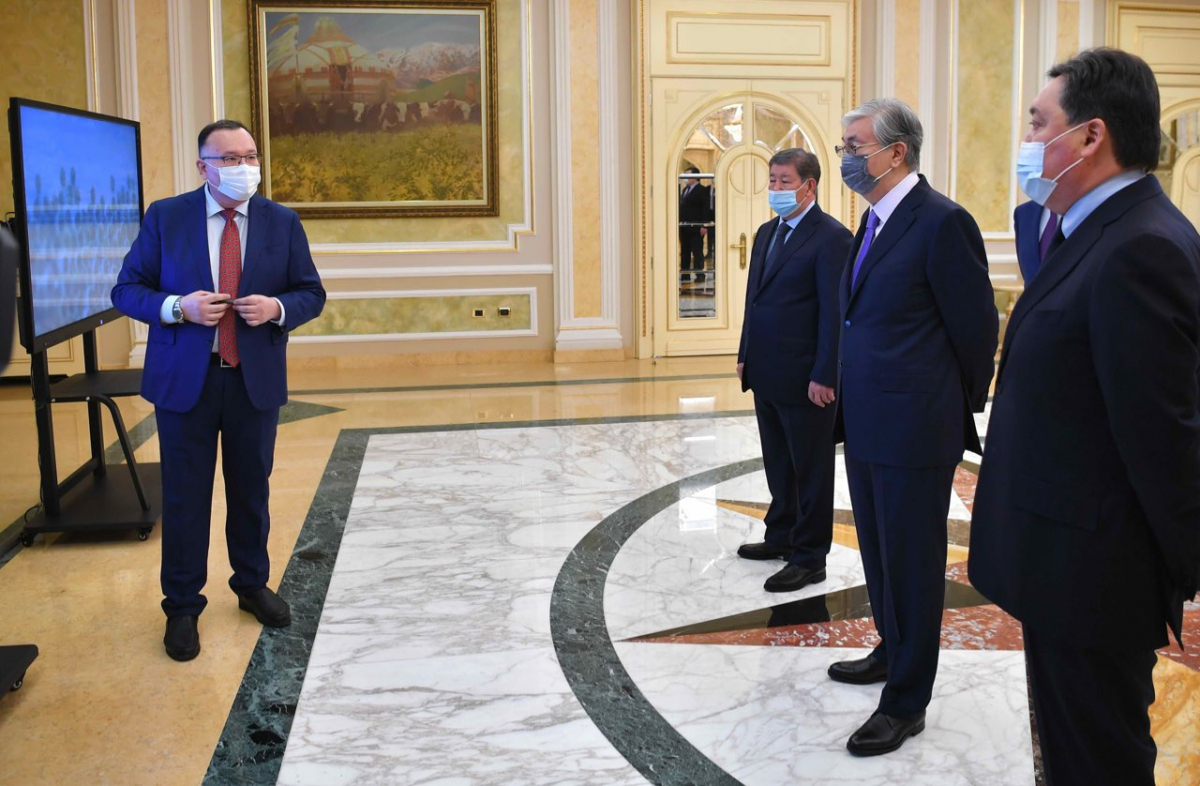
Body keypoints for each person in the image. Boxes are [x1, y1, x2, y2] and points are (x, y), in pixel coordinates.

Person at [969, 48, 1200, 786]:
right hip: (1067, 564)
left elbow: (1164, 434)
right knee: (1071, 752)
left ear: (1091, 135)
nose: (1028, 140)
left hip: (1095, 576)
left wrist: (1187, 569)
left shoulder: (1141, 247)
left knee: (1097, 759)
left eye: (1039, 123)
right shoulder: (1097, 231)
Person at [112, 119, 326, 662]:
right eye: (229, 158)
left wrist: (277, 308)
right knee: (185, 496)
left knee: (251, 490)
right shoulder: (166, 216)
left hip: (254, 380)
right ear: (203, 166)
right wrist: (177, 307)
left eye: (250, 156)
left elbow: (311, 293)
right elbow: (127, 289)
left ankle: (251, 584)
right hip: (186, 380)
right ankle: (182, 606)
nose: (243, 167)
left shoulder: (281, 221)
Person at [830, 98, 998, 756]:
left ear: (895, 152)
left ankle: (906, 701)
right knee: (878, 553)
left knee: (912, 563)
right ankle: (891, 648)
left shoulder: (942, 222)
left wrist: (944, 407)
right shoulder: (872, 220)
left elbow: (976, 332)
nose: (845, 158)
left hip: (915, 428)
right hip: (868, 420)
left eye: (854, 147)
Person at [735, 148, 852, 593]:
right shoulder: (767, 232)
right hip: (766, 371)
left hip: (807, 379)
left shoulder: (832, 238)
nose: (776, 189)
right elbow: (755, 300)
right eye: (772, 180)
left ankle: (809, 556)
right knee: (779, 462)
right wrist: (745, 353)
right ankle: (781, 534)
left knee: (811, 470)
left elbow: (834, 314)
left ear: (809, 186)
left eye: (785, 181)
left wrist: (826, 374)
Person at [678, 166, 712, 282]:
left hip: (696, 227)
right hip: (684, 227)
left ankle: (699, 274)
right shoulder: (685, 190)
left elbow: (705, 209)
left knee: (697, 251)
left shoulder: (702, 190)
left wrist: (704, 225)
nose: (686, 178)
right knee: (685, 251)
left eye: (688, 175)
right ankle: (685, 274)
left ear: (695, 177)